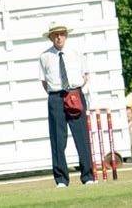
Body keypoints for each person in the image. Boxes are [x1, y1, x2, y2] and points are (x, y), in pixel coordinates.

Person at [39, 23, 94, 187]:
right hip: (56, 96)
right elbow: (44, 81)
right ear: (50, 37)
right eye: (55, 35)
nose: (59, 37)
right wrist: (56, 94)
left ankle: (88, 176)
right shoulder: (45, 56)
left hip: (74, 93)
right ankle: (61, 179)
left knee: (82, 135)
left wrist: (74, 91)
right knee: (57, 137)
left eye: (61, 34)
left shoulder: (76, 52)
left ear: (66, 36)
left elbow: (85, 75)